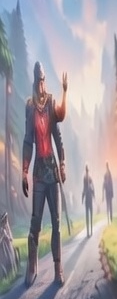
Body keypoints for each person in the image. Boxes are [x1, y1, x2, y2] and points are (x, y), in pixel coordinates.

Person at [22, 61, 68, 287]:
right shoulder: (30, 106)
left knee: (56, 222)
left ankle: (58, 267)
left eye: (43, 79)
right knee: (35, 222)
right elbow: (27, 140)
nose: (41, 83)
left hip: (52, 169)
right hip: (39, 172)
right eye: (38, 80)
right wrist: (24, 171)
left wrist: (63, 163)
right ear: (34, 80)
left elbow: (58, 135)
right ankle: (32, 265)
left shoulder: (50, 102)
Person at [81, 164, 95, 237]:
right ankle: (89, 231)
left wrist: (82, 198)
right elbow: (92, 188)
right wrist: (93, 196)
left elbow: (87, 188)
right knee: (89, 214)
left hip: (88, 198)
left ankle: (89, 231)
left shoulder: (88, 178)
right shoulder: (88, 178)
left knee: (89, 215)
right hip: (88, 198)